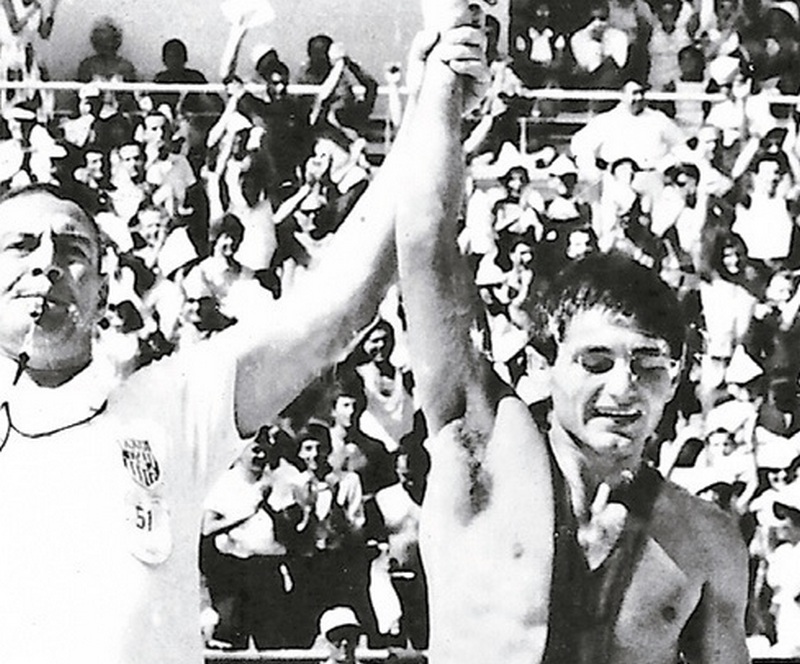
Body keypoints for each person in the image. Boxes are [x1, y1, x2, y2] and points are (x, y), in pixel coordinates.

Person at [0, 19, 486, 663]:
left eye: (71, 249)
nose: (46, 265)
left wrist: (431, 107)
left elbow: (334, 308)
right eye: (20, 246)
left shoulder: (169, 405)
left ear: (103, 287)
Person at [394, 3, 749, 663]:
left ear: (676, 377)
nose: (623, 388)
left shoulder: (704, 540)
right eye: (595, 361)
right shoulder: (481, 455)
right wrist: (443, 86)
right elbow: (424, 248)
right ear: (546, 363)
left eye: (648, 364)